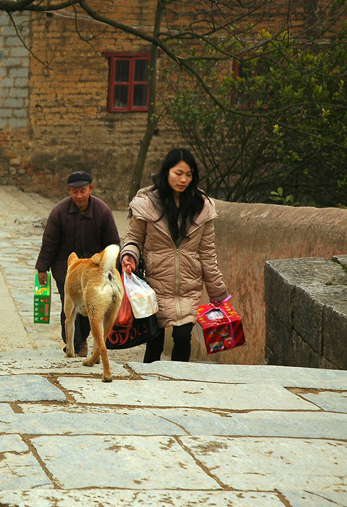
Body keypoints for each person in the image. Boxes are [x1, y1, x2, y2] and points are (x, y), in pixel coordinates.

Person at [120, 147, 229, 363]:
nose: (183, 179)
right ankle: (148, 384)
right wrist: (129, 255)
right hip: (155, 284)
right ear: (166, 172)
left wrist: (219, 292)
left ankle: (179, 381)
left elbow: (207, 253)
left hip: (188, 285)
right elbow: (134, 238)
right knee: (155, 340)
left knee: (182, 337)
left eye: (189, 175)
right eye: (178, 173)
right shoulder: (147, 204)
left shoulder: (202, 207)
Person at [35, 171, 121, 355]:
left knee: (89, 310)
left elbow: (113, 243)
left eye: (83, 191)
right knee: (69, 307)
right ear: (68, 191)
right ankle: (76, 344)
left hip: (93, 272)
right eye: (74, 192)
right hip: (66, 270)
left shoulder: (102, 211)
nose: (79, 196)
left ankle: (80, 342)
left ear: (90, 189)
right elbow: (49, 242)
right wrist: (42, 268)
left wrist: (115, 269)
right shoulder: (59, 211)